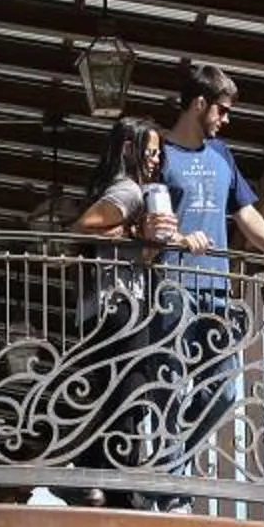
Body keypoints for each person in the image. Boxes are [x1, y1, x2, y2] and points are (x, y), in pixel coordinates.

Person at [144, 62, 264, 511]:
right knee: (171, 384)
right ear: (199, 104)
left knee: (223, 388)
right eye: (222, 110)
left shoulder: (222, 156)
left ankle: (168, 470)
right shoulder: (161, 156)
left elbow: (244, 211)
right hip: (171, 287)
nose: (226, 119)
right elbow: (147, 221)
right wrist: (175, 238)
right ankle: (173, 492)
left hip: (216, 291)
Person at [63, 115, 180, 506]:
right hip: (120, 308)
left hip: (108, 307)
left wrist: (151, 243)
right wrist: (135, 232)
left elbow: (137, 257)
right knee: (130, 392)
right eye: (150, 152)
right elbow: (80, 230)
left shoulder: (130, 193)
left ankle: (102, 480)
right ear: (130, 150)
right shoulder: (129, 192)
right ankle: (117, 486)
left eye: (158, 154)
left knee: (117, 394)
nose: (155, 160)